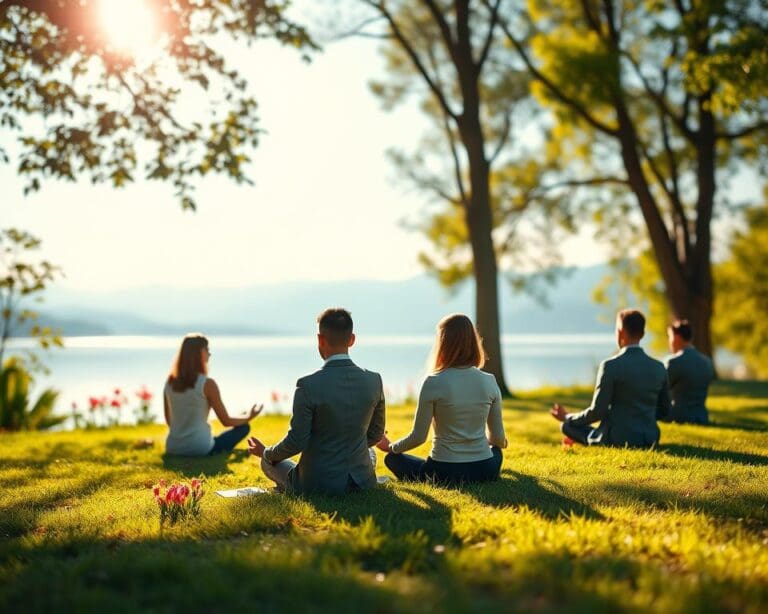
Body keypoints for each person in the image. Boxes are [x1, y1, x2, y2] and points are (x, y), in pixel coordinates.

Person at [247, 308, 385, 495]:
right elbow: (376, 435)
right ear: (352, 339)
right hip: (362, 481)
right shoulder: (374, 380)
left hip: (317, 484)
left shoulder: (307, 384)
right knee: (369, 453)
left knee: (267, 461)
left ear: (320, 340)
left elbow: (297, 442)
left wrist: (267, 452)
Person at [376, 313, 507, 484]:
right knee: (496, 451)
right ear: (474, 342)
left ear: (442, 344)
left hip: (443, 472)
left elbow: (418, 437)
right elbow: (498, 440)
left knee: (392, 459)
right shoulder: (489, 380)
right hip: (485, 470)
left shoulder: (433, 382)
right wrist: (492, 445)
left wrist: (391, 447)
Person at [550, 309, 671, 448]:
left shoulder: (610, 366)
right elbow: (665, 410)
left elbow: (597, 412)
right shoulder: (659, 367)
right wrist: (641, 417)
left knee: (566, 426)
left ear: (620, 332)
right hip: (650, 438)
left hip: (618, 439)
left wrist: (568, 417)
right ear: (642, 334)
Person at [164, 334, 262, 456]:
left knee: (234, 424)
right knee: (244, 427)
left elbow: (169, 422)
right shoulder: (207, 383)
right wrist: (249, 416)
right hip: (201, 448)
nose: (209, 354)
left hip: (173, 448)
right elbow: (226, 421)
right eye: (207, 349)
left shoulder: (169, 382)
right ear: (199, 353)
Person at [663, 319, 715, 424]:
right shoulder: (707, 362)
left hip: (678, 416)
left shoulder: (673, 362)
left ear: (676, 337)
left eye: (670, 337)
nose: (669, 341)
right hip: (702, 417)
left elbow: (660, 389)